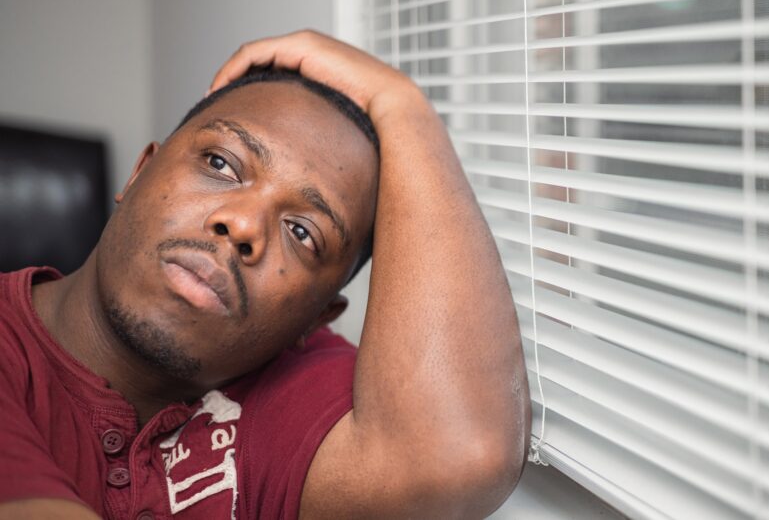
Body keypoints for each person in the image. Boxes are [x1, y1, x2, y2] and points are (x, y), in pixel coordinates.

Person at [0, 30, 530, 519]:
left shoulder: (286, 389)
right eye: (221, 164)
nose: (243, 223)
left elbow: (459, 453)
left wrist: (402, 105)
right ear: (140, 173)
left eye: (303, 233)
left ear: (317, 316)